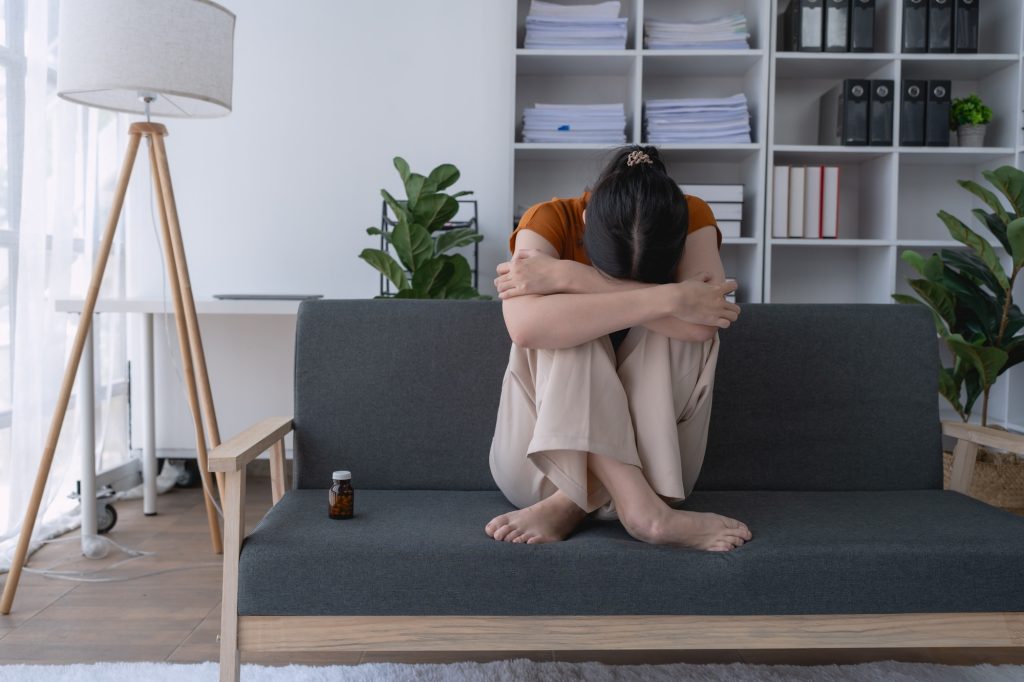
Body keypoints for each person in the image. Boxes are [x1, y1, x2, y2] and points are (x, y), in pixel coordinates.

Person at [484, 144, 752, 552]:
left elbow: (702, 325)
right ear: (587, 220)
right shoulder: (550, 219)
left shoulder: (691, 214)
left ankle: (581, 501)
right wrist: (671, 297)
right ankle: (636, 512)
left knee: (683, 328)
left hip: (659, 467)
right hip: (542, 468)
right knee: (567, 325)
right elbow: (524, 328)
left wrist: (571, 276)